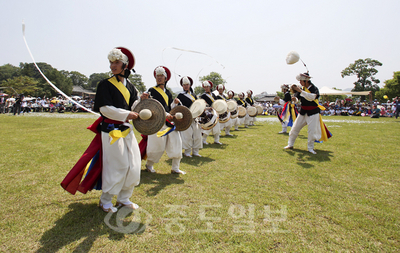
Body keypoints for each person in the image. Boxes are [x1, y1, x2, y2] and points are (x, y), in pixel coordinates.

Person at [144, 66, 186, 174]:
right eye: (157, 76)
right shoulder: (151, 90)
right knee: (156, 145)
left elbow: (169, 107)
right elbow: (153, 106)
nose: (159, 78)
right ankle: (149, 165)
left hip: (169, 122)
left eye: (161, 76)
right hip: (157, 122)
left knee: (177, 142)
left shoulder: (168, 92)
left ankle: (175, 168)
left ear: (165, 78)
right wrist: (166, 114)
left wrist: (174, 103)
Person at [284, 73, 328, 154]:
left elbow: (312, 97)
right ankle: (290, 144)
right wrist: (295, 99)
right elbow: (297, 98)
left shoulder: (314, 88)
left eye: (301, 81)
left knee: (312, 131)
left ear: (306, 81)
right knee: (294, 128)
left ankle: (310, 148)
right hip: (303, 112)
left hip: (313, 113)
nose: (300, 82)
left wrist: (300, 91)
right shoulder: (302, 89)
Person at [177, 76, 203, 157]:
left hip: (195, 118)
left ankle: (195, 151)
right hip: (186, 118)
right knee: (187, 135)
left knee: (197, 135)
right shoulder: (180, 95)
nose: (186, 86)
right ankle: (187, 152)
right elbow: (179, 107)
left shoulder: (194, 95)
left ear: (190, 85)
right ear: (182, 86)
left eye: (187, 84)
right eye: (184, 85)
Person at [200, 80, 223, 145]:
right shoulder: (203, 96)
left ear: (210, 87)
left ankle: (216, 140)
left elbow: (216, 102)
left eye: (207, 87)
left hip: (215, 112)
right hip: (209, 113)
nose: (206, 88)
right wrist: (208, 107)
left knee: (217, 126)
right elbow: (202, 104)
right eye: (205, 87)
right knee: (208, 126)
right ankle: (203, 140)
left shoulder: (213, 94)